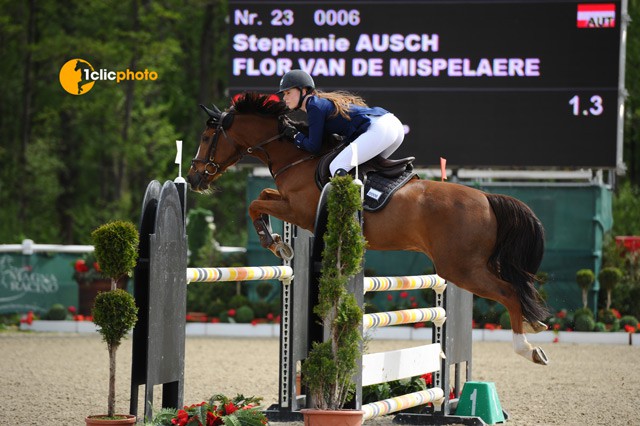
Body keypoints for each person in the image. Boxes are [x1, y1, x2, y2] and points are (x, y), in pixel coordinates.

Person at [277, 69, 405, 177]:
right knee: (364, 169)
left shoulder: (314, 106)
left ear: (304, 91)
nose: (284, 98)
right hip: (393, 125)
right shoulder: (319, 103)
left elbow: (313, 147)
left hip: (379, 129)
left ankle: (352, 207)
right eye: (284, 94)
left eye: (288, 92)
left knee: (337, 167)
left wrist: (295, 136)